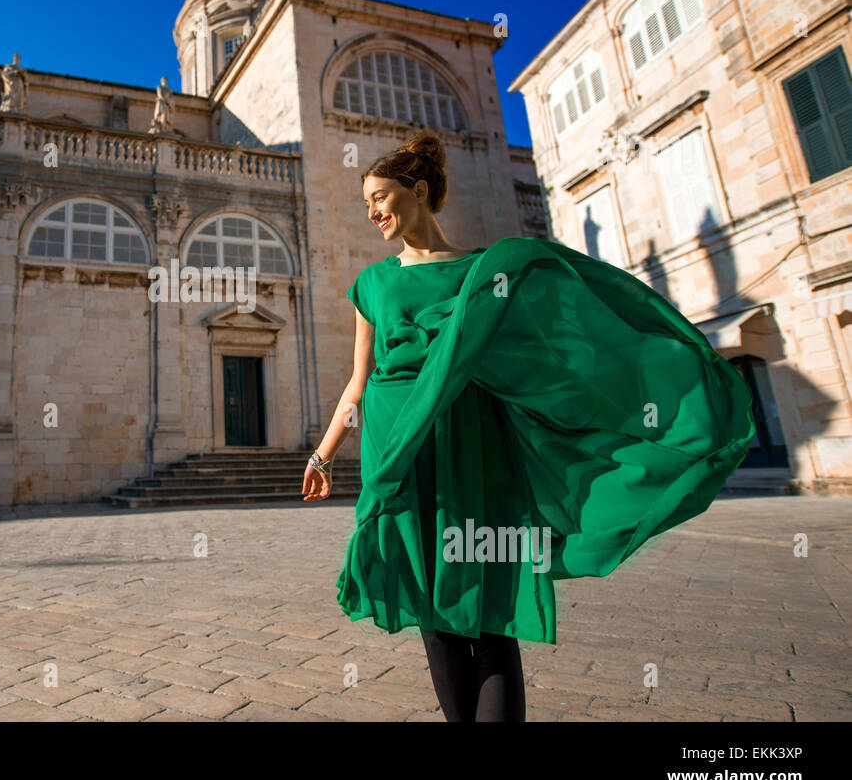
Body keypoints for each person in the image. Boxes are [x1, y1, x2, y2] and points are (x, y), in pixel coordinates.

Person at [300, 131, 756, 722]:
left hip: (474, 448)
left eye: (381, 197)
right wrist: (324, 454)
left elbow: (545, 351)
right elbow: (356, 385)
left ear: (417, 191)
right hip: (396, 453)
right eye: (366, 202)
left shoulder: (485, 274)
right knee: (429, 607)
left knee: (489, 600)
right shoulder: (371, 284)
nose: (373, 212)